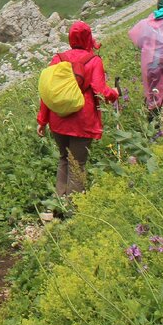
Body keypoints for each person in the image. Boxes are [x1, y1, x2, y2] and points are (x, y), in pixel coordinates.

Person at [37, 21, 119, 197]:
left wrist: (42, 121)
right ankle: (73, 210)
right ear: (88, 38)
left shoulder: (57, 59)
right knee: (78, 164)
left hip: (58, 120)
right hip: (82, 121)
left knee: (64, 159)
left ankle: (59, 204)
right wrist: (115, 94)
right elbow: (100, 90)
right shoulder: (94, 60)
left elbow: (47, 93)